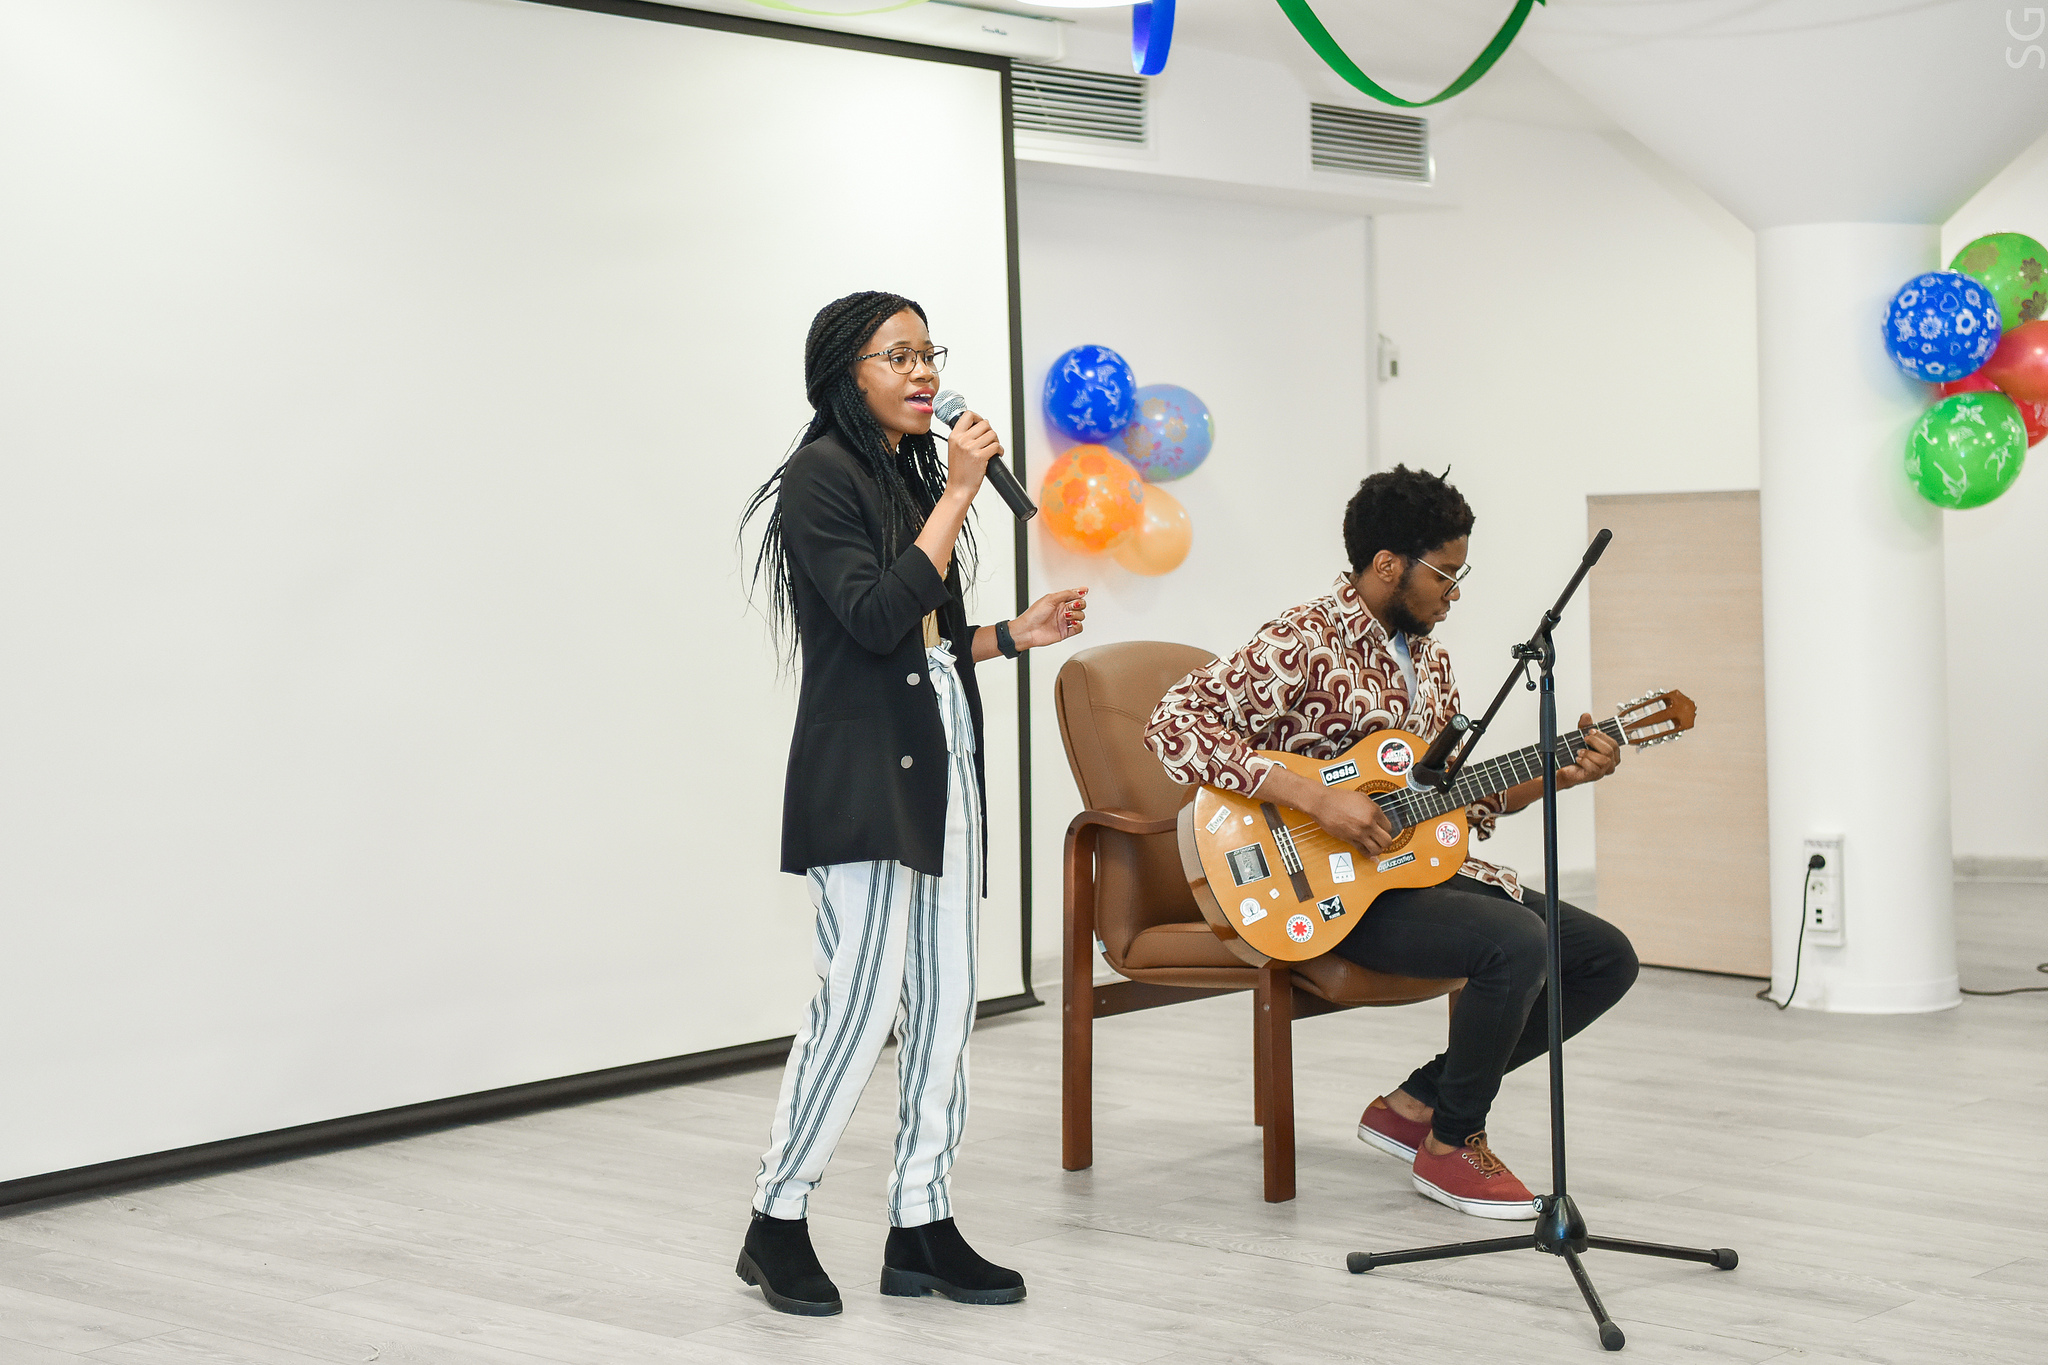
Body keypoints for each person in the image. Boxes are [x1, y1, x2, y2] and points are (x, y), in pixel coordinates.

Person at [1144, 465, 1638, 1221]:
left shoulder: (1431, 660)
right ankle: (1451, 1143)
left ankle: (1419, 1104)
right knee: (1514, 941)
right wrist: (1315, 797)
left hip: (1408, 874)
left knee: (1604, 957)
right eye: (1446, 573)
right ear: (1386, 565)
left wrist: (1558, 774)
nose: (1455, 592)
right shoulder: (1303, 638)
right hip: (1316, 888)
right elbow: (1174, 724)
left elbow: (1456, 802)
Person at [735, 291, 1087, 1315]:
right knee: (856, 1003)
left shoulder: (907, 472)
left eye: (929, 352)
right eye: (898, 356)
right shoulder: (821, 475)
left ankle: (921, 1223)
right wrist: (962, 493)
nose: (924, 371)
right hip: (863, 774)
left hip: (942, 753)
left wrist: (1013, 635)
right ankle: (775, 1219)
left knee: (944, 1001)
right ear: (845, 375)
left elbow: (926, 637)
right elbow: (870, 616)